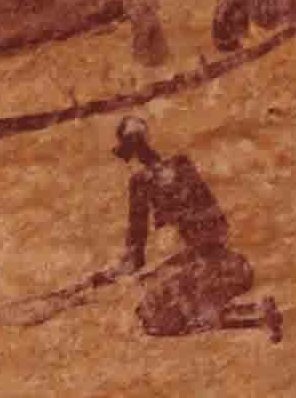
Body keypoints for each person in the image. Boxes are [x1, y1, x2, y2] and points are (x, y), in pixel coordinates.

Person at [102, 115, 281, 341]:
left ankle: (252, 316)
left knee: (153, 318)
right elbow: (217, 223)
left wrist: (117, 273)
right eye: (135, 140)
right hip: (218, 263)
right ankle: (253, 316)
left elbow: (136, 256)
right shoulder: (168, 170)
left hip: (211, 266)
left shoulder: (152, 177)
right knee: (165, 308)